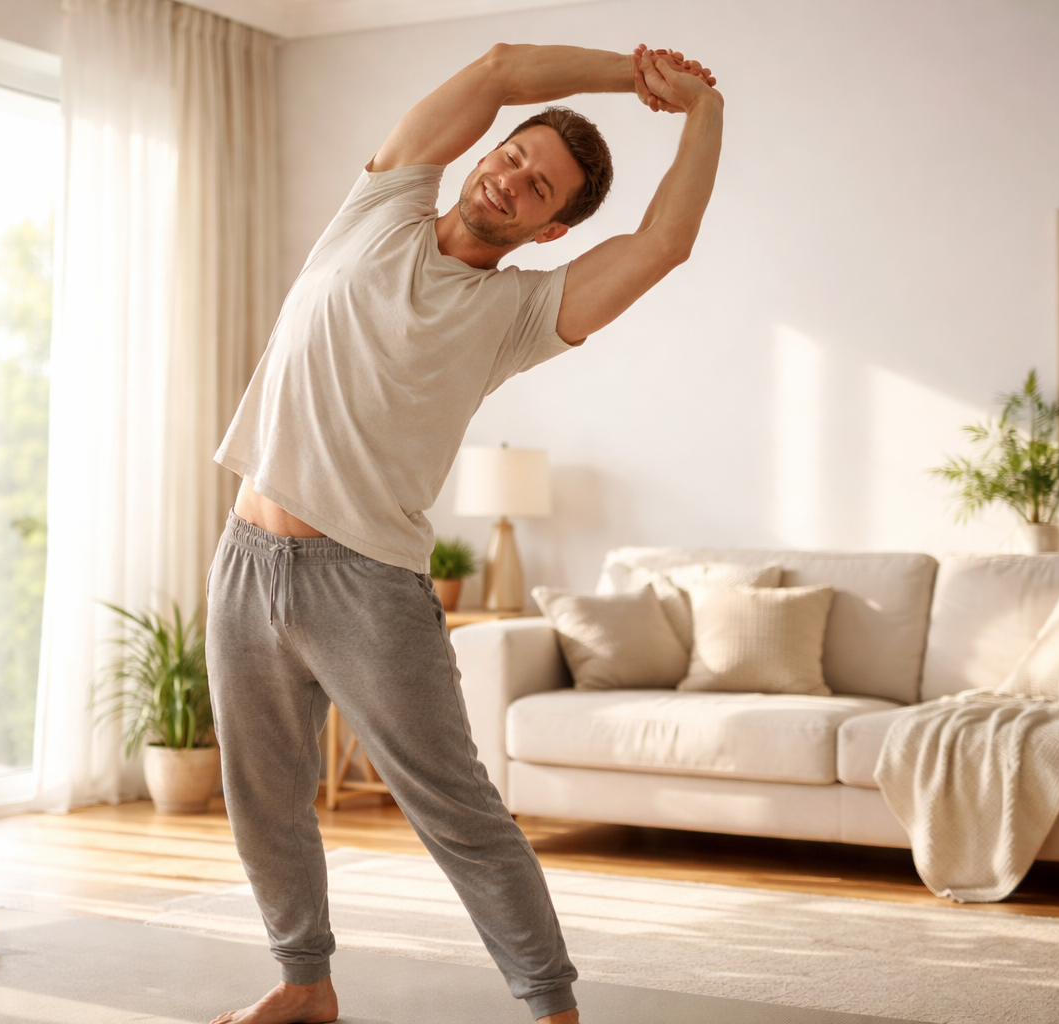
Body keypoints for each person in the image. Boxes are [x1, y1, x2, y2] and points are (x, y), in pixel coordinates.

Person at [205, 43, 723, 1024]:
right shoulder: (380, 205)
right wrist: (632, 73)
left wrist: (701, 109)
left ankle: (553, 1009)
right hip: (245, 556)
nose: (511, 179)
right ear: (488, 150)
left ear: (549, 228)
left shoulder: (519, 313)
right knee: (262, 791)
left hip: (365, 582)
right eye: (514, 155)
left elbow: (663, 243)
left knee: (456, 810)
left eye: (539, 188)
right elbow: (499, 69)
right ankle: (305, 983)